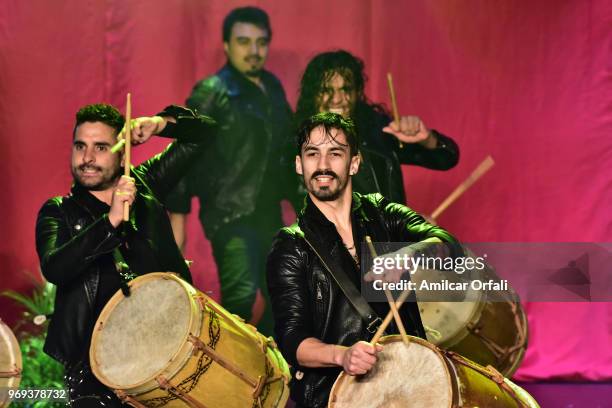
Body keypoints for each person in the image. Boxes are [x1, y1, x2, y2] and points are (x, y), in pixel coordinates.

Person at [266, 112, 459, 408]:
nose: (323, 165)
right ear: (299, 164)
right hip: (336, 394)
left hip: (411, 383)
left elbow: (448, 245)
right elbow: (293, 341)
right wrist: (341, 355)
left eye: (335, 153)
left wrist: (407, 255)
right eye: (312, 154)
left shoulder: (383, 214)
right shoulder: (291, 246)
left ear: (354, 163)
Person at [36, 103, 214, 406]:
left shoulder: (145, 185)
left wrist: (160, 125)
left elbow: (205, 134)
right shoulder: (58, 211)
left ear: (121, 153)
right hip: (96, 373)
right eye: (80, 146)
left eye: (101, 147)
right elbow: (56, 267)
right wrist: (110, 222)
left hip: (169, 355)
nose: (87, 158)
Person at [166, 6, 296, 335]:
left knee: (283, 296)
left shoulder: (272, 87)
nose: (253, 51)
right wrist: (177, 226)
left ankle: (265, 367)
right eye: (243, 42)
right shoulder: (213, 91)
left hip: (268, 212)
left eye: (261, 42)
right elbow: (183, 152)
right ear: (226, 45)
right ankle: (225, 374)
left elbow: (289, 147)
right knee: (239, 297)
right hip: (230, 215)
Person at [295, 50, 460, 204]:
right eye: (327, 90)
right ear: (313, 94)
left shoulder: (377, 131)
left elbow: (447, 159)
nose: (337, 99)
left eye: (346, 89)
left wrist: (427, 139)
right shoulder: (295, 143)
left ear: (358, 92)